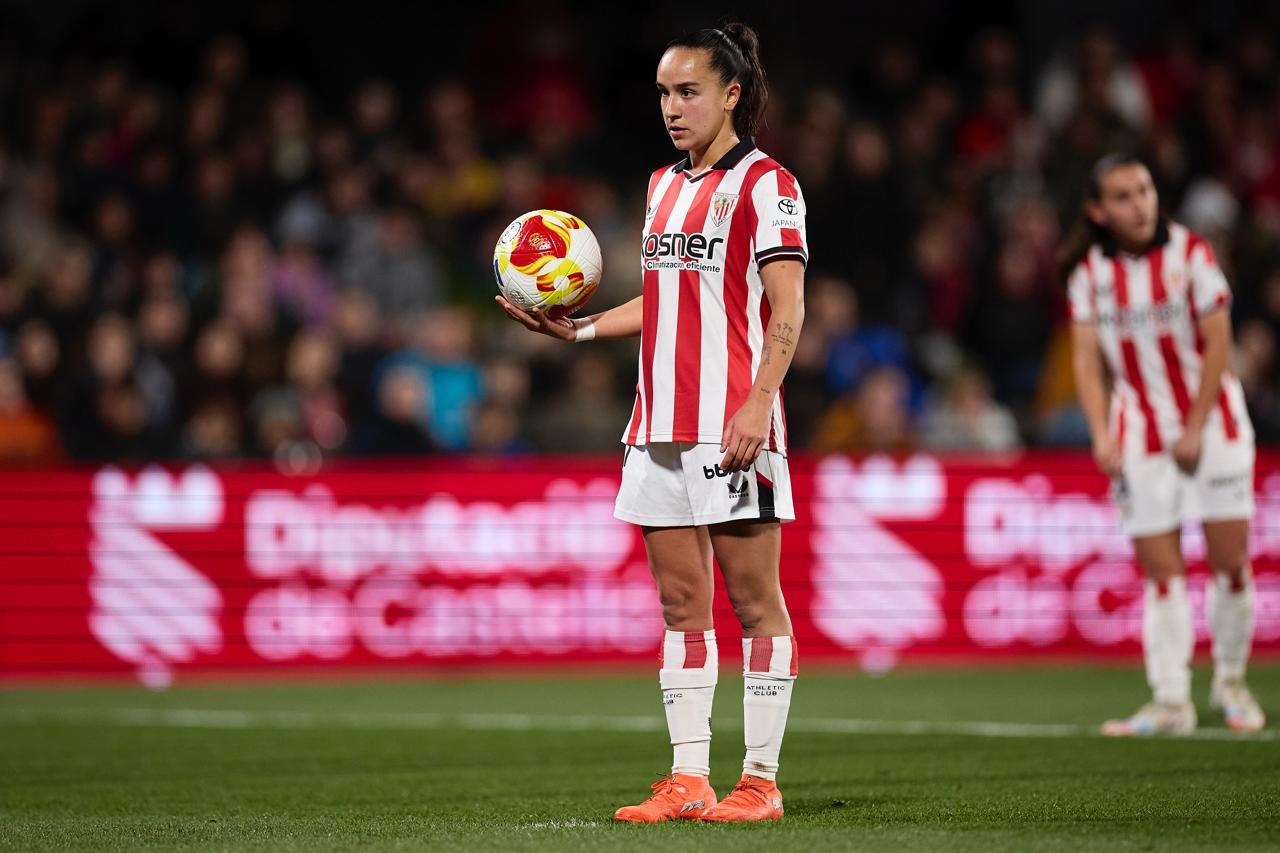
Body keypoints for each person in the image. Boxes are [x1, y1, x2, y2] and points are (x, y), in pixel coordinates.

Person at [497, 22, 805, 822]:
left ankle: (761, 782)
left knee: (754, 600)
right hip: (656, 422)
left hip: (731, 420)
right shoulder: (662, 185)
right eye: (664, 92)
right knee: (680, 604)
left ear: (731, 94)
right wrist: (580, 329)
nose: (672, 107)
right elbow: (668, 299)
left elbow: (789, 308)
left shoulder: (767, 185)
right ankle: (688, 778)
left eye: (688, 91)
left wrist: (760, 399)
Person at [1063, 153, 1264, 736]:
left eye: (1145, 191)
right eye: (1123, 196)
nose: (1139, 205)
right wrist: (1101, 431)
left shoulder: (1192, 254)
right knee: (1163, 573)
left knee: (1230, 565)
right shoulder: (1089, 275)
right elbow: (1086, 361)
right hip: (1141, 437)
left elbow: (1219, 345)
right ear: (1098, 211)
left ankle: (1231, 683)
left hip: (1216, 427)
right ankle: (1172, 700)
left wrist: (1195, 426)